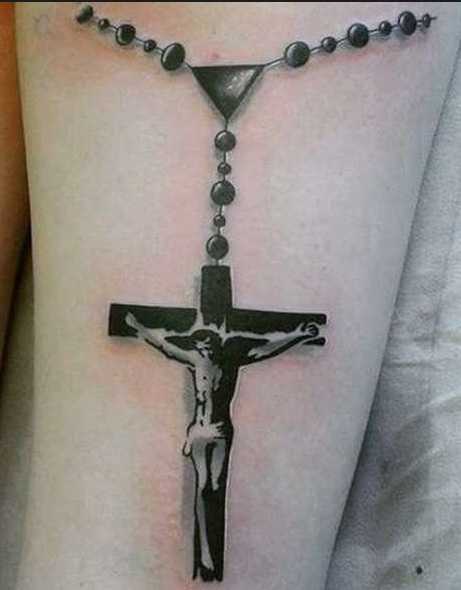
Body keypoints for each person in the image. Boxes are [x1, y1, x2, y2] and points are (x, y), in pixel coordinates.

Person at [1, 3, 460, 589]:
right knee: (206, 494)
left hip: (212, 430)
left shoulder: (215, 344)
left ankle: (206, 564)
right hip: (205, 431)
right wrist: (294, 332)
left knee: (212, 494)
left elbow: (232, 339)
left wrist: (294, 332)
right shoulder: (214, 344)